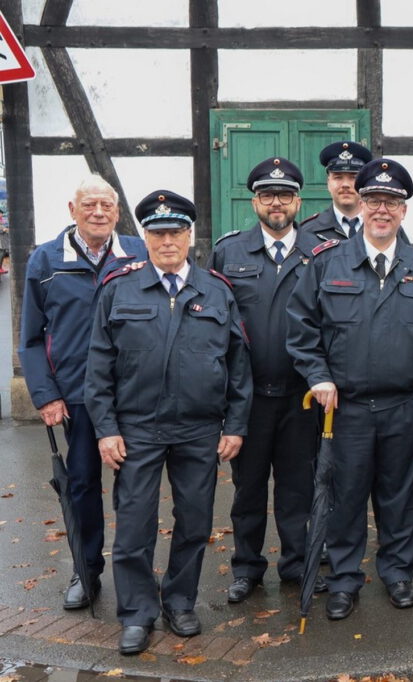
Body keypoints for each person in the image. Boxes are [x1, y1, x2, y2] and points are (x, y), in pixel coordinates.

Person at [85, 190, 251, 655]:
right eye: (157, 233)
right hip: (136, 428)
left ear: (189, 235)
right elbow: (97, 367)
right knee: (135, 524)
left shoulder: (216, 290)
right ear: (145, 237)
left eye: (175, 232)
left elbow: (239, 367)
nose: (167, 241)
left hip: (199, 429)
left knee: (195, 522)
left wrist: (235, 425)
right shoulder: (120, 288)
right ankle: (137, 613)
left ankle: (180, 601)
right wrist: (105, 428)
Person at [287, 158, 413, 621]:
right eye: (374, 200)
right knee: (346, 497)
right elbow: (301, 329)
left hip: (405, 407)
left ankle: (398, 574)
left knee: (401, 496)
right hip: (347, 410)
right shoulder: (326, 263)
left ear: (403, 210)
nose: (382, 210)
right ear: (360, 203)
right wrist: (318, 377)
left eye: (391, 202)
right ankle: (342, 579)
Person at [19, 175, 147, 612]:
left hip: (134, 395)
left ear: (117, 211)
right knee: (81, 487)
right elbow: (31, 339)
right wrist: (45, 395)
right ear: (72, 211)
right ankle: (85, 570)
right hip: (75, 396)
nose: (98, 213)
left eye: (106, 206)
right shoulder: (45, 260)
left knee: (135, 489)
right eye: (88, 205)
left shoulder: (140, 253)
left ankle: (137, 575)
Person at [210, 157, 325, 603]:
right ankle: (247, 568)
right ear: (254, 201)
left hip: (301, 397)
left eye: (285, 195)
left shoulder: (321, 251)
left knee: (298, 487)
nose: (276, 203)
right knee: (249, 489)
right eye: (266, 195)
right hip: (249, 397)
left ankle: (296, 565)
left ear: (298, 200)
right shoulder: (229, 252)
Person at [300, 140, 373, 241]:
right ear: (328, 182)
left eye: (353, 177)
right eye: (338, 177)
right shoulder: (308, 231)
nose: (345, 185)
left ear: (364, 182)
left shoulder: (383, 227)